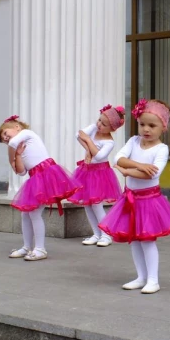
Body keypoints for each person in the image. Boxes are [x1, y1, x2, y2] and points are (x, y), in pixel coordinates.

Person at [99, 99, 170, 294]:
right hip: (130, 199)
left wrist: (128, 171)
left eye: (152, 125)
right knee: (134, 239)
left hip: (149, 201)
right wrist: (138, 165)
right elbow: (118, 158)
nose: (146, 129)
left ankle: (153, 280)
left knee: (147, 240)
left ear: (163, 127)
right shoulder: (133, 141)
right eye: (142, 124)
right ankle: (141, 276)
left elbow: (152, 174)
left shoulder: (161, 149)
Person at [0, 115, 80, 261]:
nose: (5, 138)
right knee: (25, 214)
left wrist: (12, 157)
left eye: (5, 133)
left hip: (46, 175)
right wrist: (18, 156)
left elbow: (13, 145)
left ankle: (40, 249)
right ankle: (27, 246)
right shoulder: (17, 147)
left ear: (17, 127)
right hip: (35, 177)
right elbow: (21, 171)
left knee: (34, 214)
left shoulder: (27, 134)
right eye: (3, 139)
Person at [68, 104, 125, 247]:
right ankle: (96, 233)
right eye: (99, 120)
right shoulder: (94, 127)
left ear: (112, 128)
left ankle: (106, 235)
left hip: (100, 174)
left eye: (104, 124)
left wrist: (88, 140)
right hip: (86, 171)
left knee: (97, 205)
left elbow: (99, 156)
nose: (99, 124)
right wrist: (88, 149)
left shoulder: (109, 142)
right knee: (87, 205)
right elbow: (78, 134)